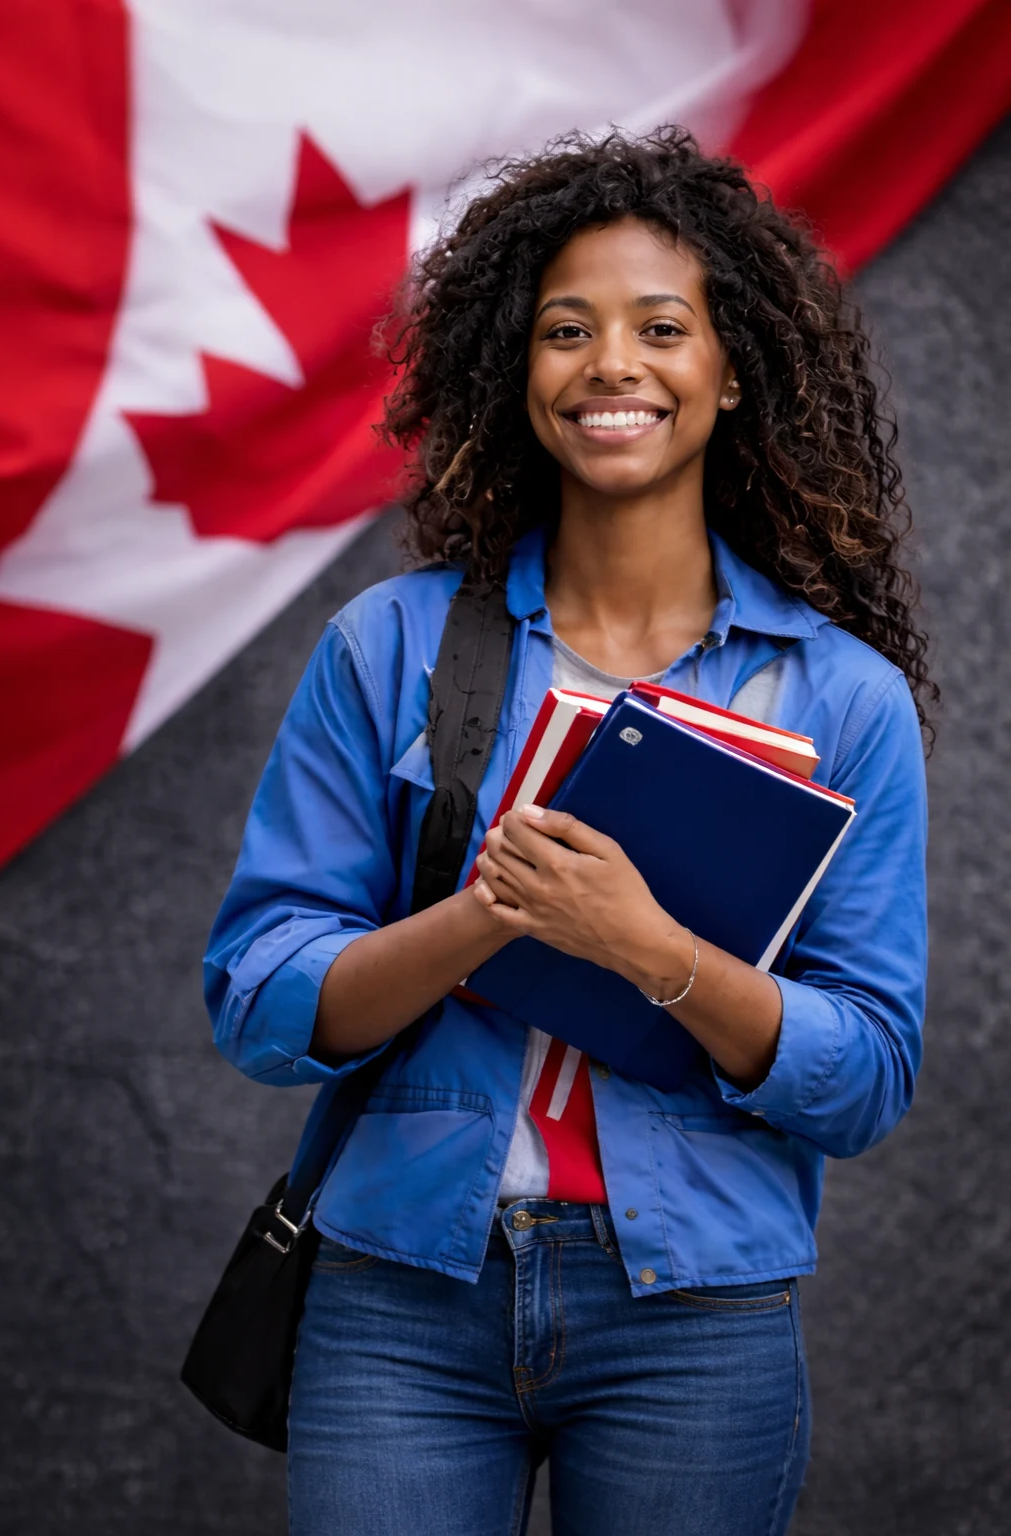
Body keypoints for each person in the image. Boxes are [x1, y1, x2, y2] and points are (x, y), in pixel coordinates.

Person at [204, 127, 932, 1536]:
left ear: (731, 375)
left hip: (696, 1320)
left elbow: (869, 1076)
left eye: (664, 328)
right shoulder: (393, 647)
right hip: (403, 1295)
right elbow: (256, 997)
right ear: (513, 371)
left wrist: (654, 954)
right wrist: (488, 914)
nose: (614, 365)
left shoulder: (845, 698)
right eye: (565, 330)